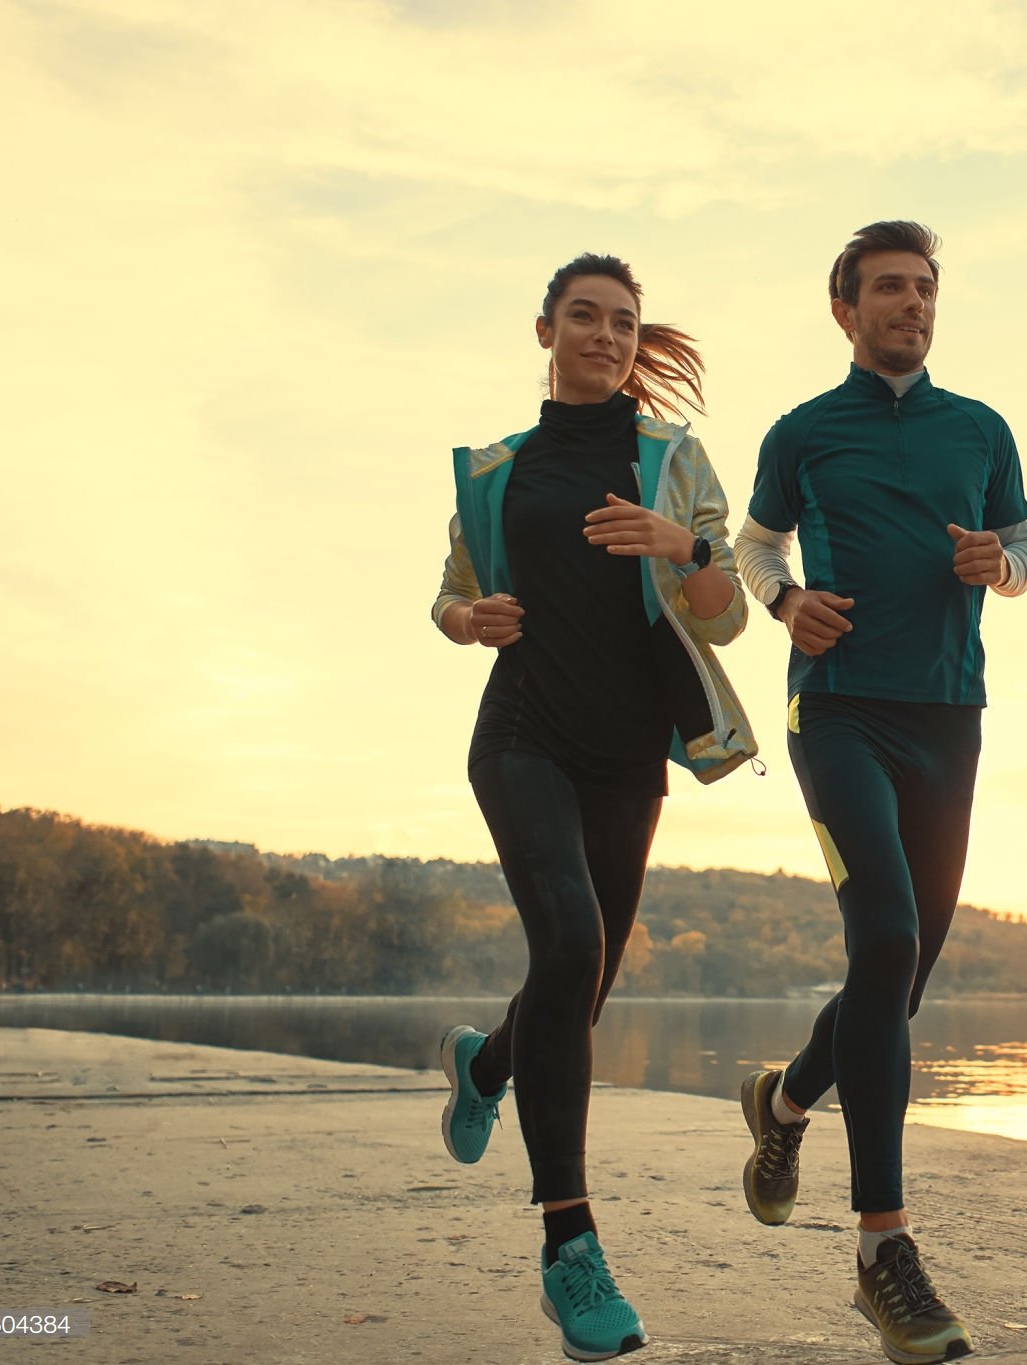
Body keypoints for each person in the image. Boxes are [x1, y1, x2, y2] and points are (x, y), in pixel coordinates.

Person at [429, 251, 754, 1361]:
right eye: (585, 316)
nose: (607, 335)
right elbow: (452, 594)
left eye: (624, 321)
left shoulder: (671, 461)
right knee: (567, 941)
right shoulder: (497, 468)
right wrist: (466, 624)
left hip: (627, 752)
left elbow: (722, 614)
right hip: (520, 731)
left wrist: (686, 544)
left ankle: (482, 1065)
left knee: (587, 978)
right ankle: (570, 1246)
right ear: (545, 331)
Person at [732, 221, 1027, 1365]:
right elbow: (755, 548)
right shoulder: (804, 431)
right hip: (838, 708)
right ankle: (882, 1252)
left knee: (898, 975)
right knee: (886, 940)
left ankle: (785, 1103)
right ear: (844, 311)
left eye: (923, 289)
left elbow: (1024, 543)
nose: (910, 304)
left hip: (947, 716)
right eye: (888, 289)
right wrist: (784, 600)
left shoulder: (981, 428)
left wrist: (997, 568)